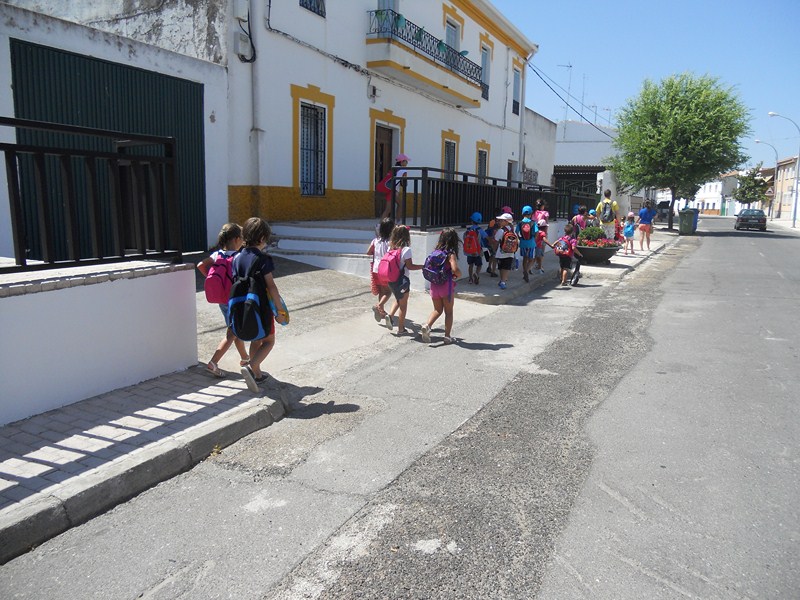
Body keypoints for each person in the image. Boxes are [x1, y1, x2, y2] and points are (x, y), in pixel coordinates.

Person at [233, 217, 287, 392]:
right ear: (262, 238)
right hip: (260, 306)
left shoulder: (237, 257)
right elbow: (271, 287)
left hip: (242, 304)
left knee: (256, 338)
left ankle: (257, 374)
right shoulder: (263, 259)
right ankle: (251, 367)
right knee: (269, 341)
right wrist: (279, 311)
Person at [197, 223, 249, 377]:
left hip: (222, 300)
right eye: (242, 239)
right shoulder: (239, 257)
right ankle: (213, 362)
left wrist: (215, 280)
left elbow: (200, 265)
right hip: (235, 300)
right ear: (236, 239)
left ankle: (245, 358)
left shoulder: (217, 255)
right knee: (232, 332)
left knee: (234, 329)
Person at [420, 228, 462, 345]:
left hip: (434, 286)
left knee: (437, 310)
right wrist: (458, 275)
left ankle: (427, 326)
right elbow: (455, 269)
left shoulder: (435, 252)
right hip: (446, 287)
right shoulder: (450, 254)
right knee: (449, 312)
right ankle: (447, 337)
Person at [385, 224, 422, 335]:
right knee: (403, 305)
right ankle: (401, 329)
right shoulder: (406, 250)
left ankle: (390, 316)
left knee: (398, 298)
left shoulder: (390, 248)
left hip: (391, 280)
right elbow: (410, 266)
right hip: (402, 281)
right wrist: (423, 266)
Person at [367, 217, 394, 321]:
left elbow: (368, 252)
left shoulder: (375, 240)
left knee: (382, 291)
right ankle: (378, 306)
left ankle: (381, 312)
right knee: (388, 292)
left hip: (375, 269)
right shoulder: (390, 242)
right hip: (385, 270)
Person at [378, 153, 410, 220]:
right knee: (397, 205)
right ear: (401, 162)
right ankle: (397, 222)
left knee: (389, 209)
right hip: (393, 191)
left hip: (389, 190)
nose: (407, 163)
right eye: (406, 161)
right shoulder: (403, 170)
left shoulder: (394, 169)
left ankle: (381, 224)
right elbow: (404, 183)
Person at [491, 212, 516, 290]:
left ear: (506, 222)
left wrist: (494, 249)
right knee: (506, 267)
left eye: (501, 220)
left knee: (501, 267)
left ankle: (502, 281)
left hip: (501, 252)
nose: (499, 221)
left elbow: (496, 241)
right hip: (511, 253)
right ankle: (503, 281)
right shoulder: (512, 230)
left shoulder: (501, 231)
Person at [553, 222, 583, 287]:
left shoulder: (562, 238)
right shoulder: (573, 240)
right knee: (566, 268)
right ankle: (564, 281)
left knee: (562, 267)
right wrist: (579, 254)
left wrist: (553, 245)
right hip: (568, 255)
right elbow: (573, 248)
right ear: (572, 232)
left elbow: (556, 242)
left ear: (565, 231)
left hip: (561, 254)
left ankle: (561, 279)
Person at [464, 211, 487, 284]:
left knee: (470, 265)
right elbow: (486, 237)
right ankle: (476, 273)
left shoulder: (468, 230)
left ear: (472, 221)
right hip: (477, 251)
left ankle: (470, 279)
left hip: (469, 251)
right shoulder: (480, 230)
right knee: (479, 265)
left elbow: (464, 238)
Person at [516, 205, 536, 283]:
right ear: (531, 214)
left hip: (523, 243)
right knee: (531, 259)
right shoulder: (533, 223)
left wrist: (520, 238)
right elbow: (536, 232)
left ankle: (524, 270)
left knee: (525, 258)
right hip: (531, 243)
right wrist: (534, 238)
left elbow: (516, 232)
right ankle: (526, 271)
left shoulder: (520, 223)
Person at [484, 206, 501, 277]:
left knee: (492, 255)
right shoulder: (498, 222)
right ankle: (493, 272)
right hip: (493, 242)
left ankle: (489, 267)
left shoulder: (492, 221)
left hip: (490, 241)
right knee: (495, 257)